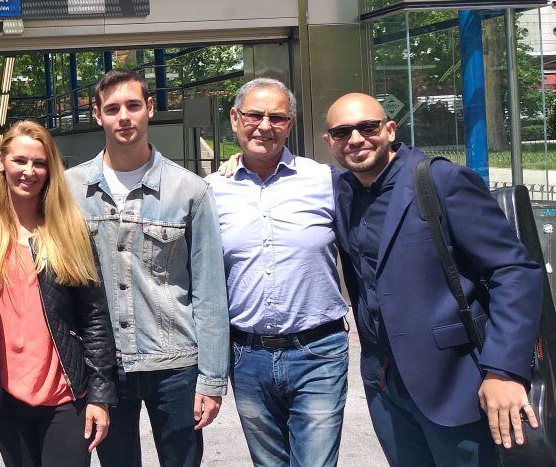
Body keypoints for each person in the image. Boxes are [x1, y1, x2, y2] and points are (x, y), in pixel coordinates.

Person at [324, 93, 543, 465]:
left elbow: (514, 270)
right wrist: (239, 163)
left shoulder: (440, 180)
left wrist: (504, 370)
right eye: (342, 131)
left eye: (368, 127)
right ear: (330, 141)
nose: (356, 139)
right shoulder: (343, 191)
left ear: (390, 130)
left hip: (457, 382)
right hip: (386, 387)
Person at [64, 69, 230, 467]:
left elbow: (209, 290)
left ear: (150, 109)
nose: (124, 116)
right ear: (97, 115)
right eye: (113, 108)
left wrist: (211, 379)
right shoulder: (69, 190)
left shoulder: (189, 190)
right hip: (103, 367)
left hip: (174, 365)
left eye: (133, 106)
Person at [205, 78, 349, 466]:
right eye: (254, 114)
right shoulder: (210, 191)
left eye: (277, 117)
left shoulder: (325, 181)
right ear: (235, 118)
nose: (264, 125)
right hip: (247, 356)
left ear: (290, 123)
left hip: (318, 352)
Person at [0, 120, 117, 467]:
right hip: (9, 398)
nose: (29, 171)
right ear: (2, 161)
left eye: (39, 163)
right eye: (20, 160)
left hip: (64, 397)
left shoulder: (68, 232)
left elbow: (95, 317)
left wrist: (100, 395)